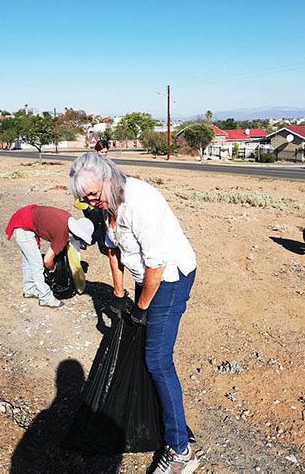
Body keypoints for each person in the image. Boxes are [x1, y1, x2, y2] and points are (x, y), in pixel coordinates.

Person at [69, 153, 199, 474]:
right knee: (145, 352)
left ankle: (181, 452)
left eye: (93, 195)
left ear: (109, 179)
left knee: (156, 359)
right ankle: (163, 420)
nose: (90, 202)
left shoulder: (141, 202)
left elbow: (157, 264)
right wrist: (118, 292)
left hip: (170, 277)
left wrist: (140, 308)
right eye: (83, 198)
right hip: (148, 278)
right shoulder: (106, 206)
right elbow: (112, 249)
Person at [5, 205, 94, 308]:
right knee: (37, 263)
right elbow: (47, 260)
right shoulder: (62, 234)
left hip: (23, 216)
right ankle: (46, 298)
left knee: (28, 259)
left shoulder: (67, 219)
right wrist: (52, 270)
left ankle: (29, 289)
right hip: (23, 224)